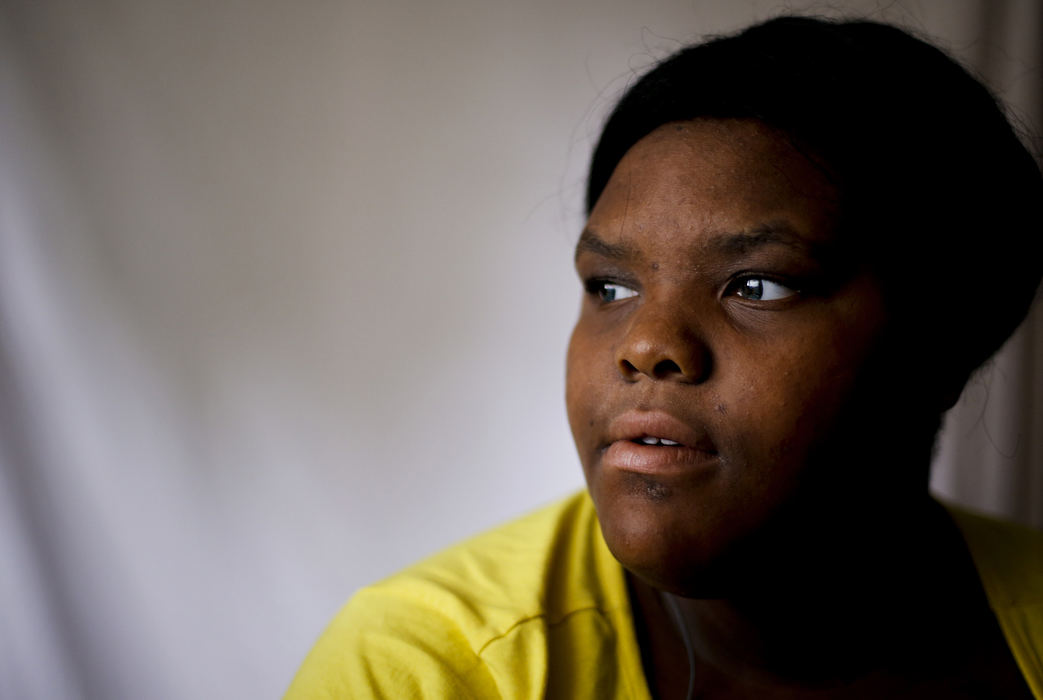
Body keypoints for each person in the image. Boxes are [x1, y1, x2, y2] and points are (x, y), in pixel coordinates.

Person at [286, 16, 1043, 699]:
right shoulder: (424, 669)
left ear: (948, 334)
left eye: (756, 284)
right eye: (610, 286)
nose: (645, 345)